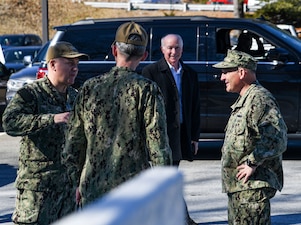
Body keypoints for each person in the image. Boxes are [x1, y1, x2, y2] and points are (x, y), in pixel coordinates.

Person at [62, 22, 172, 208]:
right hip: (133, 193)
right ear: (144, 55)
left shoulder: (89, 87)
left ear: (114, 50)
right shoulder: (146, 90)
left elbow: (73, 143)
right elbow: (158, 147)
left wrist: (76, 183)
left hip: (93, 189)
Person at [2, 41, 89, 224]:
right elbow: (9, 122)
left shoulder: (75, 97)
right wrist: (51, 119)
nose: (75, 69)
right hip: (38, 191)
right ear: (52, 64)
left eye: (77, 65)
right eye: (69, 63)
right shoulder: (31, 94)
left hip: (67, 192)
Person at [213, 49, 287, 225]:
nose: (222, 77)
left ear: (241, 72)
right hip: (240, 190)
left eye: (225, 72)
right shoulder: (245, 99)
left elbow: (277, 137)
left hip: (252, 190)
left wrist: (252, 162)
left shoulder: (260, 100)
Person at [142, 34, 200, 225]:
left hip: (180, 133)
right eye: (169, 48)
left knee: (168, 176)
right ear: (162, 49)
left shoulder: (190, 73)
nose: (173, 51)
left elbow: (194, 107)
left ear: (182, 49)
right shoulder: (150, 72)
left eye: (177, 48)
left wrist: (194, 137)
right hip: (158, 135)